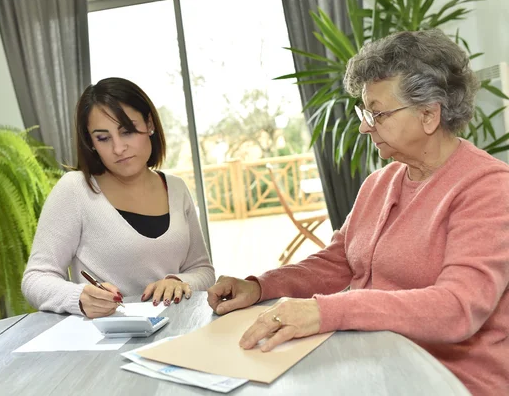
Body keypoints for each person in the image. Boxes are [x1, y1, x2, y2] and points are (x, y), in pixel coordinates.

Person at [207, 29, 509, 395]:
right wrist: (260, 286)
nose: (365, 126)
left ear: (429, 114)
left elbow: (457, 307)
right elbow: (338, 262)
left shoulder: (489, 188)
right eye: (364, 111)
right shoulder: (380, 183)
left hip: (453, 381)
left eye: (378, 114)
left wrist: (326, 311)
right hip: (375, 366)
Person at [22, 77, 215, 319]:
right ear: (91, 142)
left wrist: (179, 281)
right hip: (108, 340)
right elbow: (35, 279)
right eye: (103, 138)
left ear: (150, 125)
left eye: (128, 131)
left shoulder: (176, 188)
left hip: (180, 330)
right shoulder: (74, 190)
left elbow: (203, 270)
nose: (118, 148)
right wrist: (79, 297)